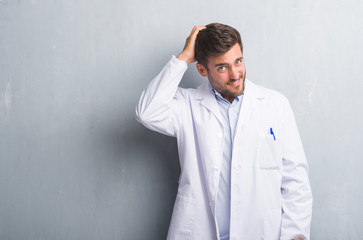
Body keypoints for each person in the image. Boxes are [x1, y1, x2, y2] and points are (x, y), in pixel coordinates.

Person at [135, 23, 313, 240]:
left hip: (261, 232)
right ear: (202, 70)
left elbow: (296, 178)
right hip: (199, 231)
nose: (235, 74)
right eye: (222, 67)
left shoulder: (275, 105)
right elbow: (147, 112)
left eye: (238, 62)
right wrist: (184, 58)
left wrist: (296, 236)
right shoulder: (187, 104)